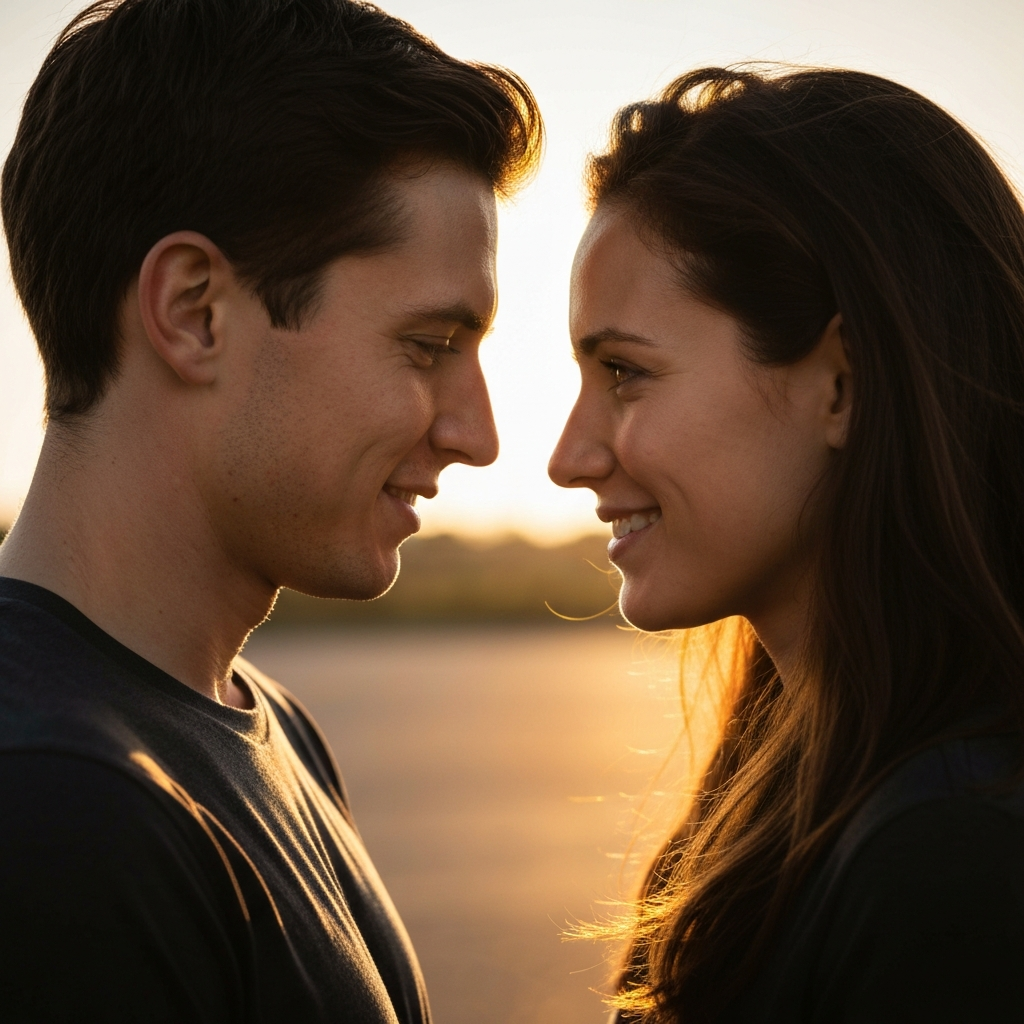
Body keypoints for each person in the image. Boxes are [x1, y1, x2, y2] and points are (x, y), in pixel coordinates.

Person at [0, 0, 541, 1020]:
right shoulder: (58, 809)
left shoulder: (261, 722)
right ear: (195, 312)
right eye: (427, 345)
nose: (477, 434)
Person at [549, 66, 1024, 1022]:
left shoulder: (955, 860)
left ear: (841, 386)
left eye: (626, 373)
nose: (570, 456)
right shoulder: (811, 793)